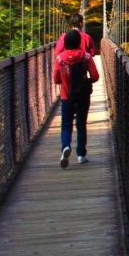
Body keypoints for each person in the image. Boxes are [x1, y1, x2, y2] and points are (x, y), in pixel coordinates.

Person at [52, 29, 99, 168]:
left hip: (67, 96)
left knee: (66, 125)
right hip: (83, 96)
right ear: (79, 42)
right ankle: (81, 155)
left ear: (65, 42)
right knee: (81, 124)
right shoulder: (86, 57)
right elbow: (95, 76)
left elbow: (56, 80)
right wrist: (87, 82)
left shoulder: (59, 59)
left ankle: (66, 147)